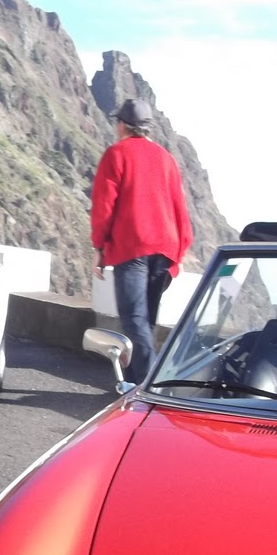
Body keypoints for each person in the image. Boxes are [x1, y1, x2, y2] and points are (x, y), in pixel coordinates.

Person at [90, 97, 193, 385]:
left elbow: (103, 206)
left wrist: (99, 247)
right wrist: (180, 251)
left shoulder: (116, 154)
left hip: (132, 247)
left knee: (134, 318)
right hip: (165, 248)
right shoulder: (166, 159)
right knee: (146, 320)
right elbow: (179, 207)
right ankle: (135, 385)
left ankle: (150, 384)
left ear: (122, 125)